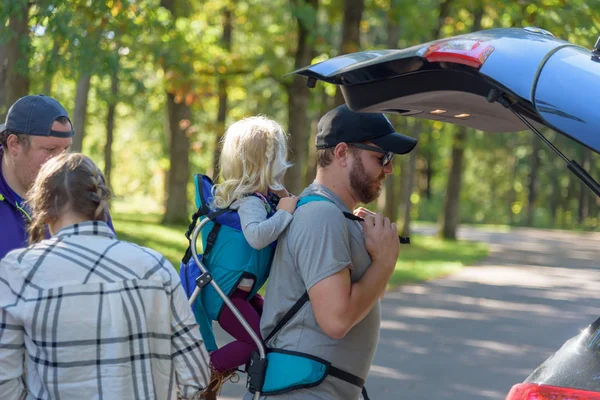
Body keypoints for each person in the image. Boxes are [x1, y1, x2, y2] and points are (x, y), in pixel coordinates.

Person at [0, 153, 210, 399]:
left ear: (43, 210)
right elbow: (196, 375)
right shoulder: (155, 268)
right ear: (101, 204)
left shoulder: (19, 271)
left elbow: (4, 380)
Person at [245, 104, 418, 399]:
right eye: (381, 157)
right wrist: (384, 262)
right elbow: (337, 321)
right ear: (341, 153)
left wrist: (374, 254)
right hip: (304, 391)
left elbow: (363, 304)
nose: (389, 168)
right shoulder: (321, 217)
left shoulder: (337, 216)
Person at [206, 115, 298, 389]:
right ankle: (203, 374)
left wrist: (283, 199)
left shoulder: (260, 198)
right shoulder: (249, 202)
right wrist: (284, 212)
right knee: (255, 341)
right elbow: (257, 237)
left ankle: (216, 380)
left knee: (272, 331)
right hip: (226, 296)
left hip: (239, 294)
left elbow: (289, 208)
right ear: (268, 163)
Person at [0, 94, 113, 260]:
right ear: (14, 144)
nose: (60, 162)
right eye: (50, 150)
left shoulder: (82, 189)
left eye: (65, 149)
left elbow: (107, 261)